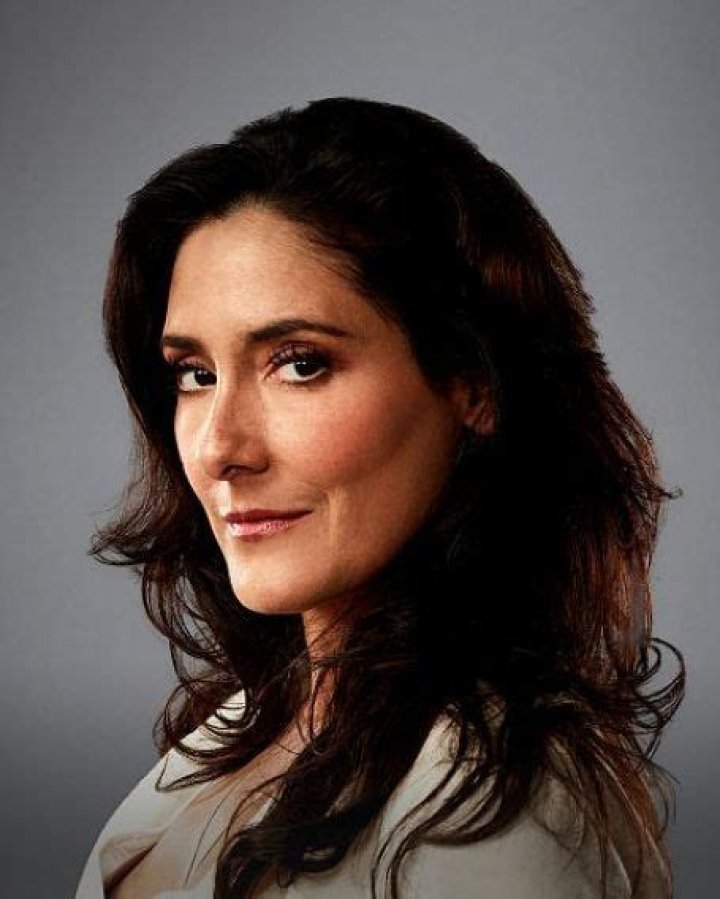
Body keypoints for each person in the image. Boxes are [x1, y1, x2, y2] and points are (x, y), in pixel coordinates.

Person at [75, 97, 684, 898]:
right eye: (196, 374)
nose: (220, 447)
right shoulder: (250, 728)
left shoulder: (495, 811)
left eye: (300, 363)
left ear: (472, 382)